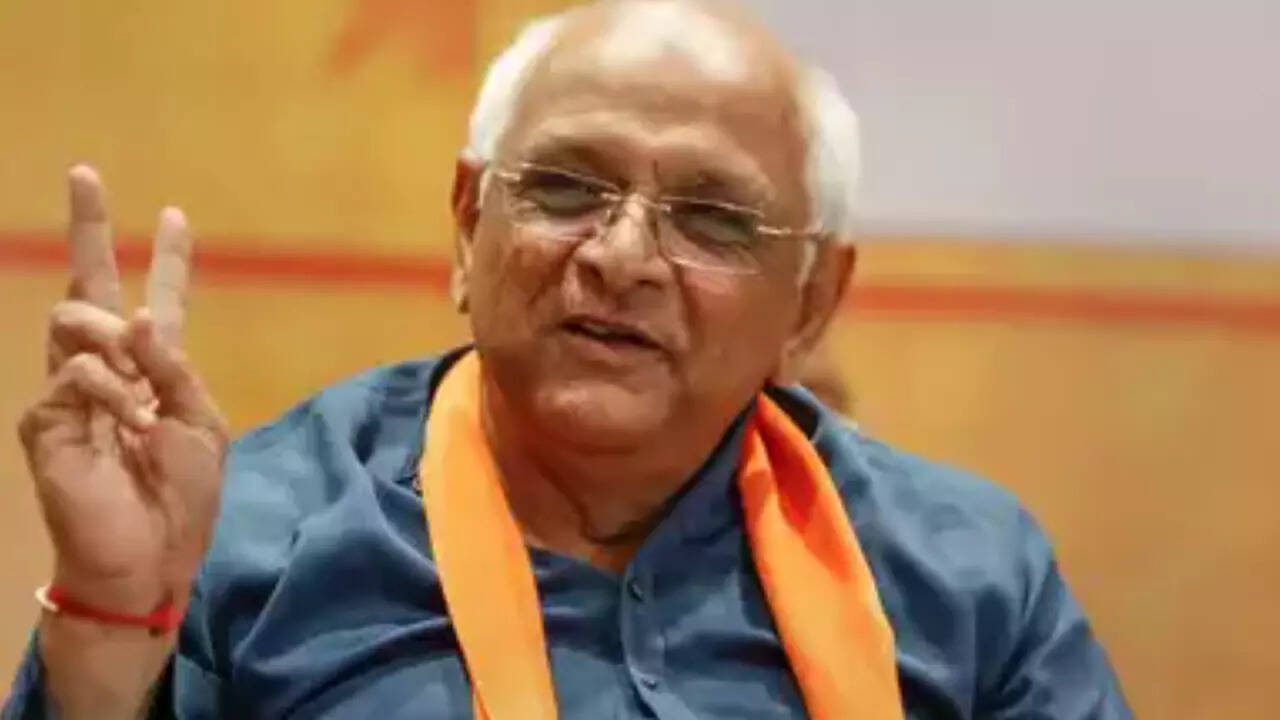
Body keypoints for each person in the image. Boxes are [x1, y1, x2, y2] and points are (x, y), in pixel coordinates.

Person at [5, 1, 1130, 718]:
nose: (620, 257)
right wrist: (110, 618)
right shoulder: (246, 537)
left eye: (713, 219)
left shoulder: (968, 582)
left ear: (811, 302)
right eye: (564, 188)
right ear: (467, 228)